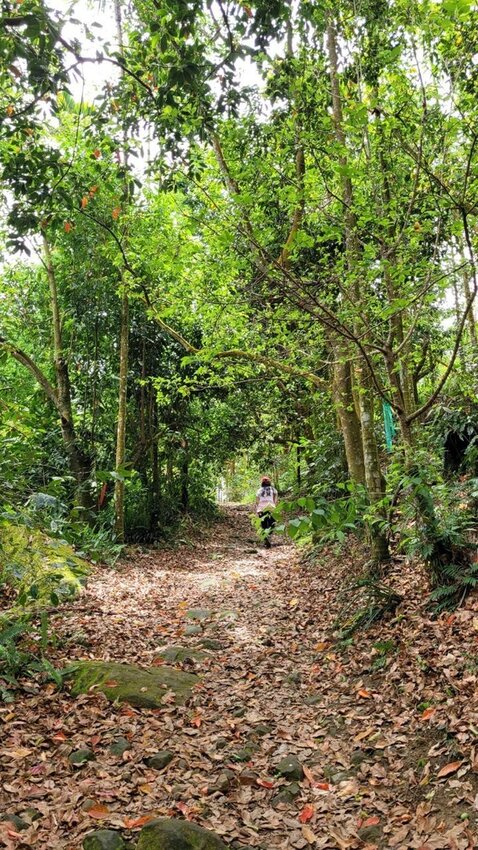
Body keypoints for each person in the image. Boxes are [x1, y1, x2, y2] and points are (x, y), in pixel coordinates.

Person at [255, 476, 278, 548]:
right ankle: (269, 536)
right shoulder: (273, 489)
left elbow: (257, 501)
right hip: (271, 507)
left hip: (261, 508)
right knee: (272, 523)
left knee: (263, 525)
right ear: (269, 482)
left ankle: (265, 539)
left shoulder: (259, 490)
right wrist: (275, 507)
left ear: (262, 483)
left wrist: (258, 510)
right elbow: (275, 500)